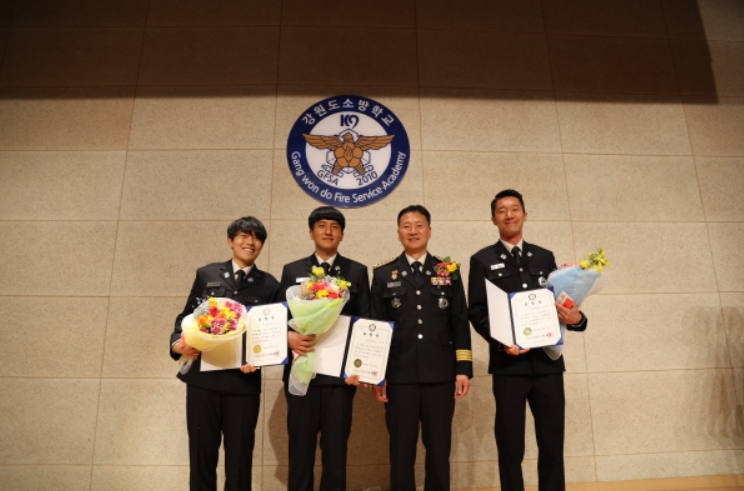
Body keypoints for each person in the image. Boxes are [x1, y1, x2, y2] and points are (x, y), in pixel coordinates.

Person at [468, 190, 588, 491]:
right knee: (510, 444)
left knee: (552, 442)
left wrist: (577, 318)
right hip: (509, 365)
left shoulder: (545, 256)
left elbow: (560, 302)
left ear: (525, 215)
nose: (509, 214)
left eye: (514, 209)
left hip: (548, 363)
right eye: (502, 210)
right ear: (493, 219)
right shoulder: (482, 260)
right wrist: (501, 343)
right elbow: (477, 311)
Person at [171, 216, 279, 491]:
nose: (250, 242)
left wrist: (259, 359)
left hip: (242, 384)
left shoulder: (269, 284)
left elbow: (271, 333)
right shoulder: (207, 274)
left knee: (240, 460)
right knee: (201, 456)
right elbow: (186, 317)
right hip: (202, 381)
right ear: (230, 240)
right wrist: (177, 345)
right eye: (243, 235)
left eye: (257, 238)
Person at [370, 205, 472, 491]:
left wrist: (463, 368)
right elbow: (376, 327)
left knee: (439, 449)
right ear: (398, 233)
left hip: (440, 374)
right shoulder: (383, 274)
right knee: (401, 450)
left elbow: (459, 321)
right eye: (406, 226)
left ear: (429, 230)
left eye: (419, 225)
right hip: (398, 376)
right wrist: (378, 374)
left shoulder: (447, 270)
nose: (413, 231)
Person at [276, 206, 371, 491]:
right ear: (311, 232)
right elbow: (279, 317)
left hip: (339, 380)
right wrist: (287, 338)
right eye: (321, 225)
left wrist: (360, 367)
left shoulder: (357, 271)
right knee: (300, 449)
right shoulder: (293, 270)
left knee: (336, 451)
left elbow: (365, 321)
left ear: (342, 234)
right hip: (302, 373)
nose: (328, 231)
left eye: (334, 226)